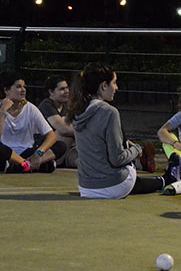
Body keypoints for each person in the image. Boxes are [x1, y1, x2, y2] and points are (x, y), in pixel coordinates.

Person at [67, 63, 175, 199]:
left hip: (86, 188)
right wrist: (137, 149)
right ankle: (165, 179)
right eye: (114, 83)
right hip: (112, 186)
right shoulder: (109, 112)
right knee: (124, 156)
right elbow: (117, 159)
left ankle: (164, 180)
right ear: (103, 86)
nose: (116, 88)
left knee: (119, 153)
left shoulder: (77, 111)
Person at [0, 71, 66, 173]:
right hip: (5, 153)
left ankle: (21, 166)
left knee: (61, 145)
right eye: (18, 87)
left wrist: (38, 154)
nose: (23, 90)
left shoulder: (30, 108)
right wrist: (3, 110)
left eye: (24, 87)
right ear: (6, 90)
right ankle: (29, 165)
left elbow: (51, 136)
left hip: (26, 152)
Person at [38, 75, 79, 168]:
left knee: (83, 161)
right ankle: (53, 161)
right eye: (62, 89)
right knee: (65, 130)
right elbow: (64, 130)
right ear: (51, 92)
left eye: (67, 88)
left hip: (67, 148)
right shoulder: (46, 105)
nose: (66, 91)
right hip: (47, 148)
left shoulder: (67, 107)